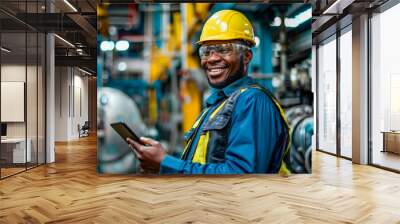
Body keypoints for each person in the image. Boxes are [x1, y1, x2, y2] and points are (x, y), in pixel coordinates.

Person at [127, 9, 291, 174]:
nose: (212, 59)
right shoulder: (217, 105)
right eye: (206, 52)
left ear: (247, 56)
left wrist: (166, 164)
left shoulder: (253, 101)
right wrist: (161, 164)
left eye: (224, 49)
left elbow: (242, 177)